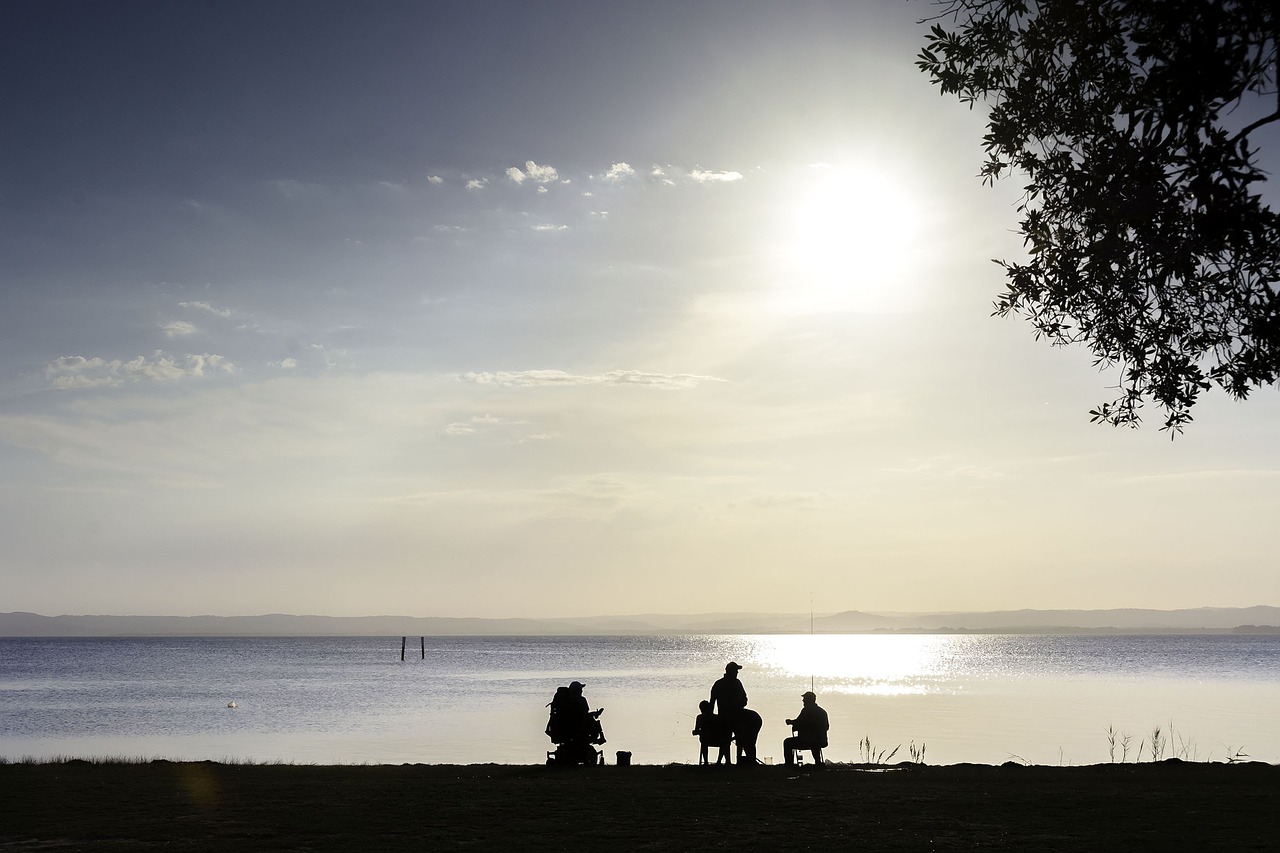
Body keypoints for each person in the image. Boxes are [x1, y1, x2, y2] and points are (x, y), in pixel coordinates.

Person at [783, 691, 829, 766]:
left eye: (804, 699)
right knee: (814, 741)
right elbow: (826, 727)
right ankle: (818, 762)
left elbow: (799, 722)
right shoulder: (822, 711)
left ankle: (789, 764)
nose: (803, 700)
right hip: (822, 740)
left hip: (807, 740)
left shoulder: (806, 710)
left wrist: (790, 722)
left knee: (787, 742)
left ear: (809, 700)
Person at [692, 699, 730, 765]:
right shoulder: (718, 717)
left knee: (703, 742)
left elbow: (696, 731)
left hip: (706, 740)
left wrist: (695, 732)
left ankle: (706, 762)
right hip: (719, 740)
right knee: (724, 743)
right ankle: (719, 761)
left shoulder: (700, 718)